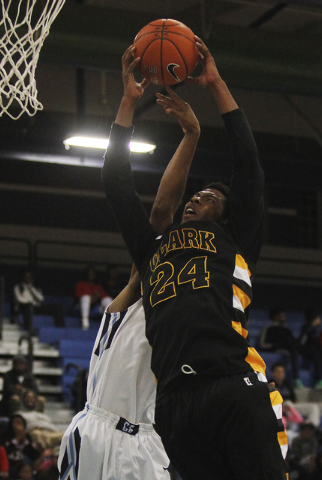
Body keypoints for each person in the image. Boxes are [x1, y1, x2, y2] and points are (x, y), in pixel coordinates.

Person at [101, 39, 288, 480]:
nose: (197, 198)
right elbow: (115, 182)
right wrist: (128, 102)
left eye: (209, 198)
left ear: (227, 214)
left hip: (231, 384)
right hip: (175, 404)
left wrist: (215, 83)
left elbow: (249, 164)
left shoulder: (236, 237)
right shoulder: (152, 249)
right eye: (195, 195)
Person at [58, 266, 170, 480]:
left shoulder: (177, 317)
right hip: (99, 433)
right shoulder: (121, 313)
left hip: (145, 440)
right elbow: (134, 282)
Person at [257, 308, 302, 387]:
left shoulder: (287, 329)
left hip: (289, 350)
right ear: (276, 316)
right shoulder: (268, 328)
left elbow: (294, 343)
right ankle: (294, 379)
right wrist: (275, 346)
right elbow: (262, 344)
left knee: (294, 352)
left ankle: (294, 379)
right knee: (290, 354)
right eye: (282, 315)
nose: (284, 317)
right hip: (276, 350)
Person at [269, 362, 321, 428]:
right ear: (273, 373)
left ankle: (312, 427)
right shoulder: (270, 384)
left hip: (291, 406)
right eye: (278, 372)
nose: (280, 374)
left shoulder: (287, 384)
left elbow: (294, 399)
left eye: (282, 372)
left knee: (313, 407)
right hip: (280, 407)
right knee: (287, 403)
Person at [74, 265, 112, 329]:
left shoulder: (97, 286)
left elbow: (105, 298)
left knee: (108, 299)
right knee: (86, 298)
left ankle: (108, 324)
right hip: (80, 308)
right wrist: (90, 297)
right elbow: (77, 296)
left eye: (92, 273)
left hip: (94, 309)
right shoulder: (81, 284)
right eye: (89, 273)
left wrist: (98, 297)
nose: (91, 275)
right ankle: (85, 323)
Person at [299, 309, 322, 388]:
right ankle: (319, 380)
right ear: (314, 319)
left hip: (312, 350)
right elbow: (302, 342)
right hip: (305, 350)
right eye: (318, 318)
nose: (320, 320)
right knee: (316, 353)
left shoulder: (315, 330)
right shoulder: (307, 328)